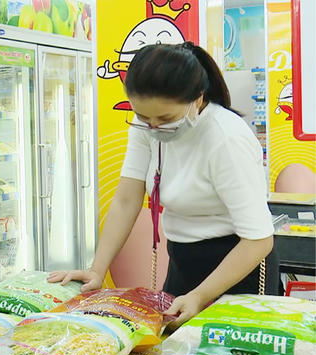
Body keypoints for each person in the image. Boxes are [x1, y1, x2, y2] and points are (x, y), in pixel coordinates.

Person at [49, 42, 279, 326]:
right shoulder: (147, 127)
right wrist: (97, 269)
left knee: (225, 351)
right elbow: (126, 200)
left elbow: (258, 240)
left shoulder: (226, 139)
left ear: (198, 99)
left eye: (166, 118)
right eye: (144, 117)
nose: (154, 127)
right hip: (182, 257)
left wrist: (200, 296)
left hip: (237, 263)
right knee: (173, 347)